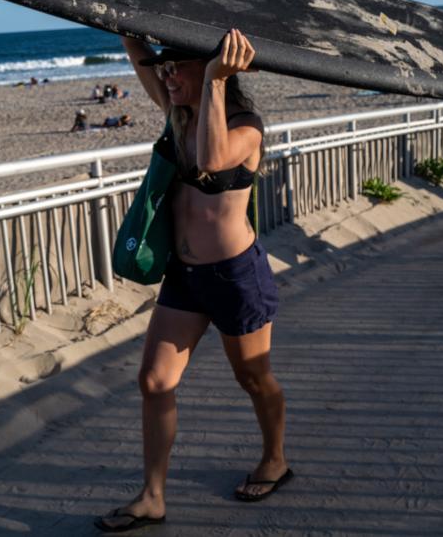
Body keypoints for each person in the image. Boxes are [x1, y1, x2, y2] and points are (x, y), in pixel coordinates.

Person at [96, 30, 290, 532]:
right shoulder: (177, 112)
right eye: (164, 69)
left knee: (253, 378)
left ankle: (275, 460)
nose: (164, 75)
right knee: (154, 381)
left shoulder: (246, 128)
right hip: (184, 279)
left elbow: (209, 159)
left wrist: (218, 82)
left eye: (175, 66)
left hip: (234, 276)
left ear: (208, 69)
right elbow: (137, 50)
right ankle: (152, 496)